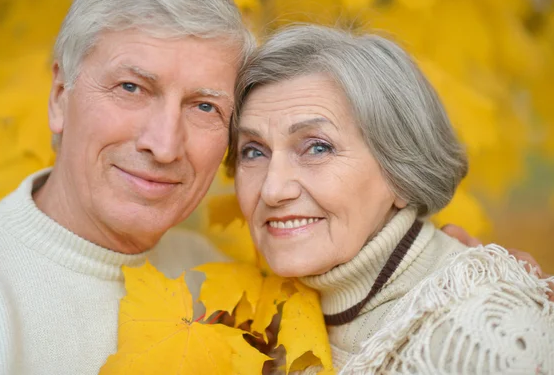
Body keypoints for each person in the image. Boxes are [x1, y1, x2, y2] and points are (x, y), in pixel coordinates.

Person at [0, 0, 254, 373]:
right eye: (131, 88)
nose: (164, 146)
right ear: (60, 97)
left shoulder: (218, 282)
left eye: (203, 108)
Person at [227, 24, 554, 374]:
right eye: (253, 152)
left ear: (399, 171)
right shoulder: (262, 326)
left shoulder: (478, 337)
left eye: (317, 147)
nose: (273, 190)